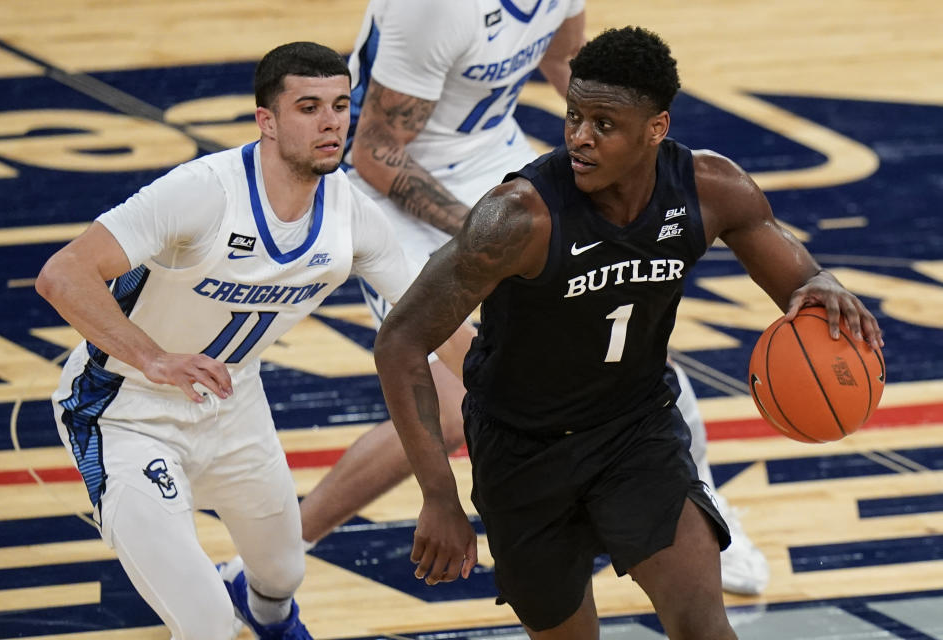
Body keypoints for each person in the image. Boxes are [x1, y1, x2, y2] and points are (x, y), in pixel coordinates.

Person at [372, 26, 883, 640]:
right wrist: (438, 494)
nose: (580, 138)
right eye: (573, 117)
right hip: (520, 449)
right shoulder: (517, 217)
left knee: (703, 625)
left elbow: (800, 280)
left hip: (634, 433)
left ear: (657, 128)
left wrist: (820, 282)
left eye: (604, 124)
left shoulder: (709, 188)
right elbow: (400, 341)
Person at [297, 0, 769, 596]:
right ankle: (276, 563)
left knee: (627, 324)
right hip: (397, 190)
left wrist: (633, 146)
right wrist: (493, 232)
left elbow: (566, 57)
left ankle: (700, 509)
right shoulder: (437, 10)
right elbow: (375, 152)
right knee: (451, 409)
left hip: (495, 158)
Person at [36, 41, 470, 640]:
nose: (330, 122)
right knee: (206, 625)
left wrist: (531, 405)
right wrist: (152, 357)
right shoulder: (202, 192)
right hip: (125, 413)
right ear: (266, 120)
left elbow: (437, 323)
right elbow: (63, 274)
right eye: (308, 106)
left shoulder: (350, 213)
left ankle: (268, 615)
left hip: (232, 401)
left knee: (282, 571)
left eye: (341, 105)